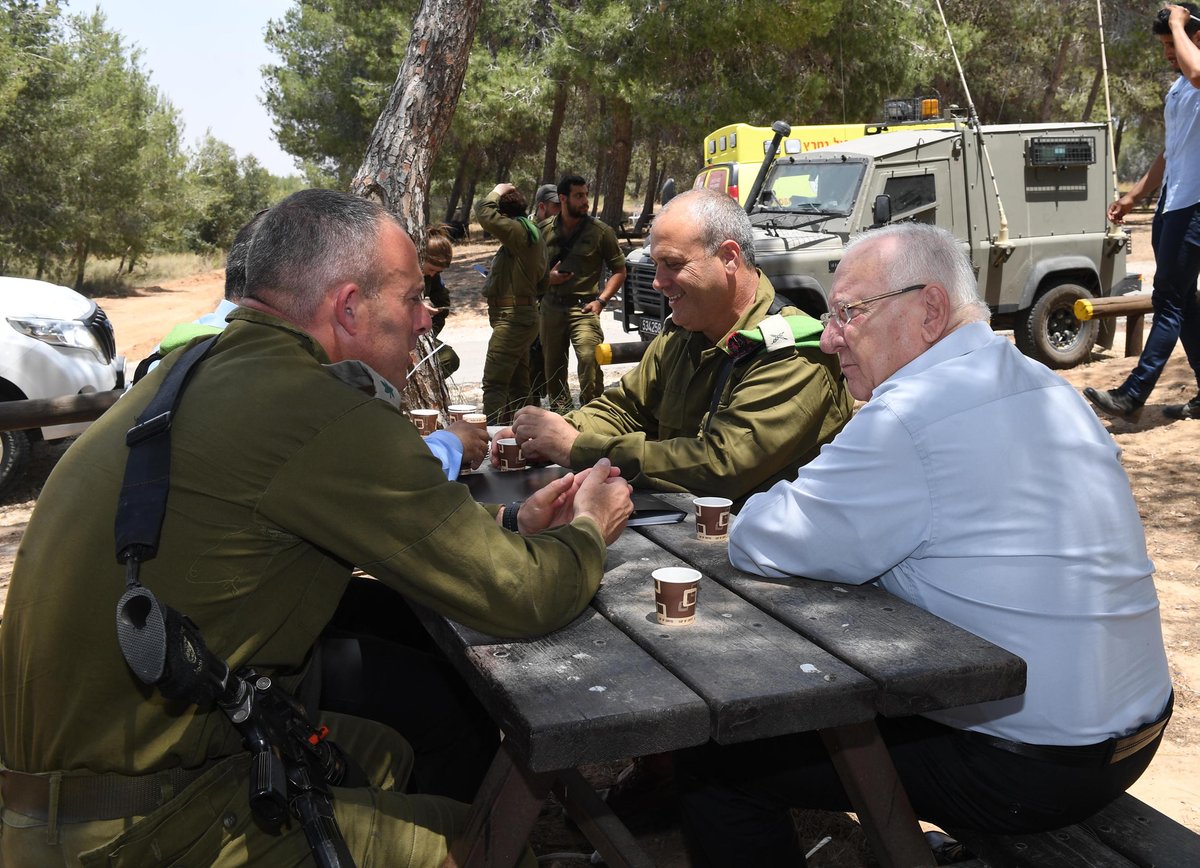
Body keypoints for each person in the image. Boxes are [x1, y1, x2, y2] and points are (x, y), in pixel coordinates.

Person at [0, 189, 634, 867]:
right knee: (480, 844)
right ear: (349, 307)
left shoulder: (202, 367)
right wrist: (590, 526)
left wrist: (507, 519)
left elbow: (323, 519)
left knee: (392, 750)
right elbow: (525, 597)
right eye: (412, 298)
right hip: (139, 825)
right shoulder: (319, 410)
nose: (428, 318)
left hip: (69, 788)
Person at [676, 223, 1173, 866]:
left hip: (1033, 765)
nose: (829, 339)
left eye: (848, 313)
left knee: (719, 763)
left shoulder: (911, 415)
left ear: (930, 311)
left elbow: (758, 537)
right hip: (1133, 735)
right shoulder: (1047, 387)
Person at [500, 188, 853, 508]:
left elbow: (720, 465)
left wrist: (576, 447)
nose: (658, 282)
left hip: (770, 561)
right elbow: (626, 409)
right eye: (656, 265)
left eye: (673, 264)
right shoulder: (686, 333)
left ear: (729, 257)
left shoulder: (790, 353)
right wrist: (547, 434)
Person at [1085, 3, 1200, 420]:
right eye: (1165, 45)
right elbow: (1171, 153)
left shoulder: (1197, 75)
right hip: (1173, 202)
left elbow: (1197, 72)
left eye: (1174, 43)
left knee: (1167, 298)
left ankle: (1132, 395)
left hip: (1196, 207)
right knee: (1184, 301)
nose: (1169, 52)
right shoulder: (1180, 88)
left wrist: (1178, 22)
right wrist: (1134, 196)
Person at [539, 174, 627, 412]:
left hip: (585, 307)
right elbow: (529, 272)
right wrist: (548, 278)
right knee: (553, 369)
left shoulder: (600, 232)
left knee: (589, 359)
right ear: (563, 198)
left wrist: (601, 301)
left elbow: (619, 270)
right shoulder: (543, 230)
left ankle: (592, 413)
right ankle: (562, 416)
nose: (585, 201)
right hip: (551, 308)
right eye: (579, 196)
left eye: (586, 195)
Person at [476, 183, 548, 424]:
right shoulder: (531, 233)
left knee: (494, 382)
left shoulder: (518, 231)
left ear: (504, 215)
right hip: (521, 315)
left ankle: (490, 441)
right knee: (518, 386)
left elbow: (484, 213)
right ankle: (524, 436)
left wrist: (496, 189)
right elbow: (543, 281)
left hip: (513, 318)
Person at [526, 184, 561, 408]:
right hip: (529, 310)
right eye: (556, 206)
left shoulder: (562, 230)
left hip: (553, 310)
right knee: (529, 371)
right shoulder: (525, 231)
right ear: (542, 206)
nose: (561, 210)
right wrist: (549, 279)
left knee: (553, 367)